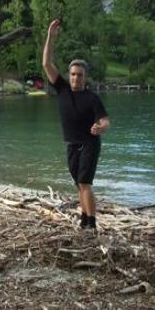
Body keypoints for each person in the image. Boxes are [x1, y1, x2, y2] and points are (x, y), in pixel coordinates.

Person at [42, 18, 110, 230]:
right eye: (72, 74)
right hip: (72, 145)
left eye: (79, 75)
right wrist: (50, 37)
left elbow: (105, 121)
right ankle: (84, 217)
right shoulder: (62, 88)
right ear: (69, 75)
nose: (75, 78)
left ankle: (91, 224)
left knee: (84, 183)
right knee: (78, 185)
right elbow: (46, 64)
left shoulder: (92, 98)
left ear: (85, 77)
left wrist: (100, 127)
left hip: (90, 144)